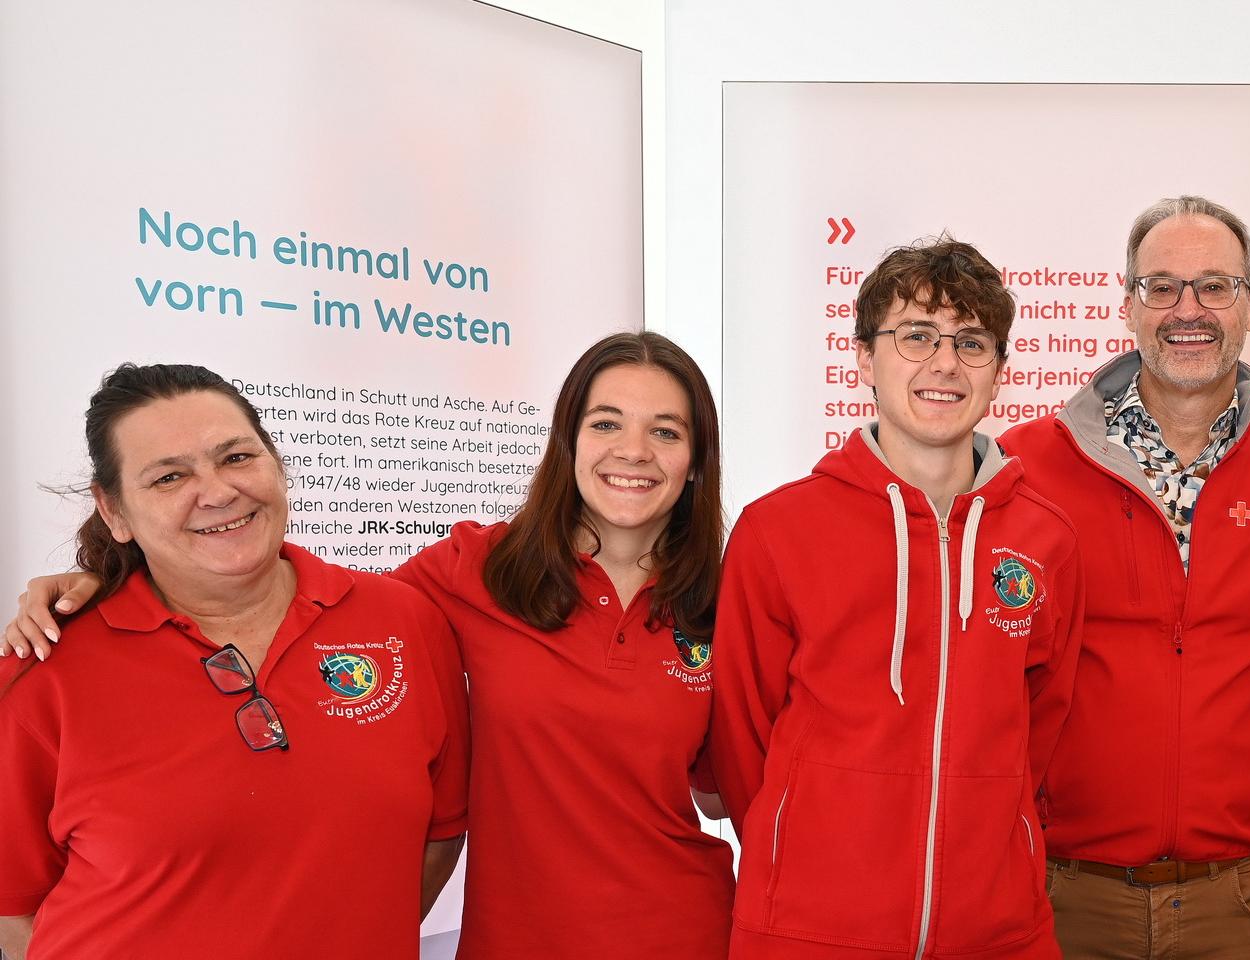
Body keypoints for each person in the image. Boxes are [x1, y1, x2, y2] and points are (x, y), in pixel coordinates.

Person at [3, 333, 736, 958]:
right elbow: (286, 593)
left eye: (666, 432)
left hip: (687, 929)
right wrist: (100, 580)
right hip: (516, 940)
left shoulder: (728, 599)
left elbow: (721, 789)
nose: (633, 451)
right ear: (568, 439)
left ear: (696, 456)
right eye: (606, 423)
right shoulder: (472, 572)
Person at [0, 363, 470, 959]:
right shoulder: (44, 669)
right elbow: (13, 908)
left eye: (237, 457)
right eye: (169, 477)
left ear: (276, 464)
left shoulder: (404, 620)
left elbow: (440, 834)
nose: (218, 492)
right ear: (114, 511)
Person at [709, 236, 1085, 959]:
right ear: (863, 358)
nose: (944, 363)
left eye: (971, 342)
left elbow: (1042, 729)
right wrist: (806, 848)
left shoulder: (1049, 540)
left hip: (997, 933)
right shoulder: (778, 530)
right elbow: (740, 737)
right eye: (916, 336)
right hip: (808, 932)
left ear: (1000, 371)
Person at [998, 196, 1250, 958]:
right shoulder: (1026, 466)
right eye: (1162, 287)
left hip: (1236, 899)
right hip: (1060, 890)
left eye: (1214, 286)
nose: (1188, 310)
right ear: (1127, 306)